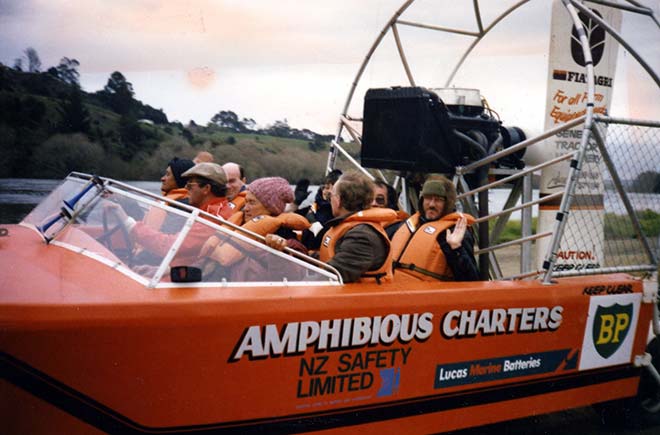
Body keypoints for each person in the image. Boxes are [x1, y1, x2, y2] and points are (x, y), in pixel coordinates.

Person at [268, 172, 396, 283]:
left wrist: (293, 287)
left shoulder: (362, 237)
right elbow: (328, 257)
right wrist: (289, 252)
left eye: (331, 196)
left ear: (338, 200)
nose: (330, 200)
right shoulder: (349, 228)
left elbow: (333, 275)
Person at [106, 162, 233, 265]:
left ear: (206, 189)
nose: (185, 190)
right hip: (178, 270)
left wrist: (127, 222)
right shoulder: (209, 211)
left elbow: (171, 246)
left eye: (190, 186)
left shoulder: (214, 218)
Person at [200, 177, 310, 279]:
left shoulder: (290, 244)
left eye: (252, 203)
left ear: (271, 207)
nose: (246, 209)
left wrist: (277, 253)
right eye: (246, 202)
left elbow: (293, 278)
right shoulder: (234, 230)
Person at [390, 175, 479, 281]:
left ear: (448, 203)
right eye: (427, 198)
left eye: (438, 200)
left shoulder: (454, 232)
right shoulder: (409, 224)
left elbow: (472, 279)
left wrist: (456, 249)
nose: (431, 204)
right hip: (397, 291)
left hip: (430, 295)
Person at [143, 157, 195, 230]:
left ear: (179, 179)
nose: (162, 178)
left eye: (168, 175)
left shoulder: (185, 206)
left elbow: (166, 232)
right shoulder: (174, 201)